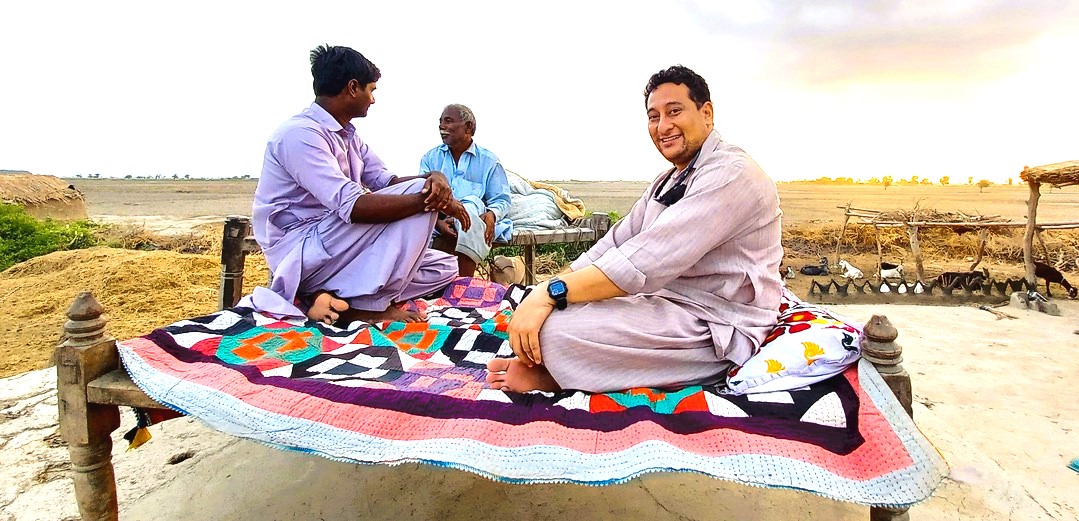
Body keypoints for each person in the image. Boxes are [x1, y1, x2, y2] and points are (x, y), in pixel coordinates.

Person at [486, 65, 783, 393]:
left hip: (716, 321)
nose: (663, 126)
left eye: (674, 111)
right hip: (665, 303)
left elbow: (644, 261)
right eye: (654, 116)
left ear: (706, 113)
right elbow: (614, 243)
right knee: (548, 309)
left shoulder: (731, 173)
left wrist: (550, 294)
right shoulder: (669, 180)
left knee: (553, 330)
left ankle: (555, 376)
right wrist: (546, 289)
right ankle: (569, 364)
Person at [245, 45, 472, 325]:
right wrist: (433, 200)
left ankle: (332, 299)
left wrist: (436, 177)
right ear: (353, 88)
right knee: (419, 192)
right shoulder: (299, 135)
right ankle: (371, 306)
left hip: (337, 243)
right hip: (302, 251)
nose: (373, 100)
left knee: (445, 266)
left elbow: (387, 182)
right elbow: (354, 206)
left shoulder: (349, 137)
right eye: (371, 90)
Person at [420, 104, 512, 277]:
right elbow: (423, 196)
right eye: (440, 122)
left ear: (468, 127)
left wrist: (491, 215)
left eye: (448, 121)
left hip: (473, 217)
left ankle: (464, 281)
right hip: (438, 219)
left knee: (470, 204)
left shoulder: (489, 161)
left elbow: (502, 199)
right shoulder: (430, 158)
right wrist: (438, 223)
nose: (441, 126)